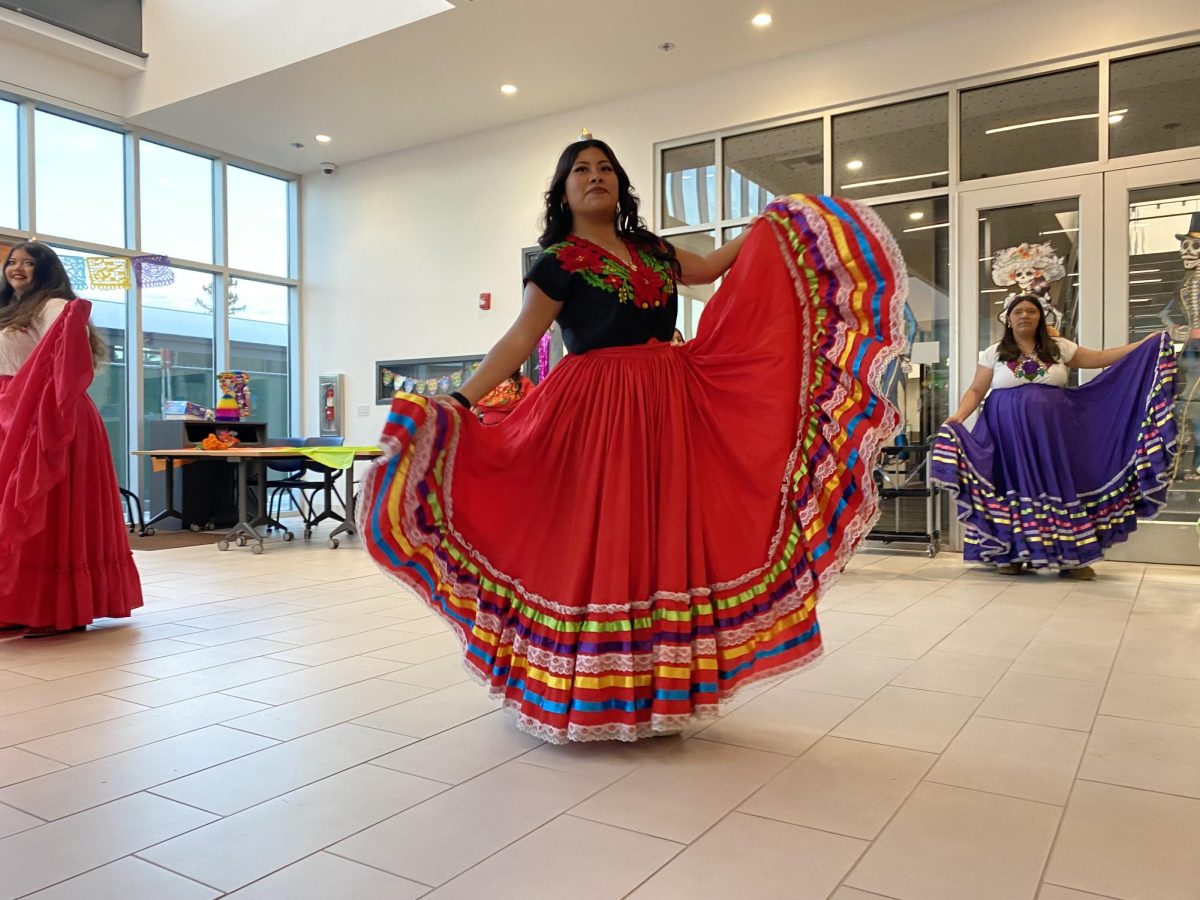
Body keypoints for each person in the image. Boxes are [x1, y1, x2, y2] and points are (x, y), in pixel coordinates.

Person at [359, 138, 907, 743]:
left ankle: (657, 691)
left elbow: (711, 268)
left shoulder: (652, 249)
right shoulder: (557, 262)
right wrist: (460, 401)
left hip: (670, 404)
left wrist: (773, 223)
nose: (595, 177)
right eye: (581, 171)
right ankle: (591, 690)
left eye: (605, 169)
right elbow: (519, 340)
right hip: (597, 410)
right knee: (604, 536)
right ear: (562, 191)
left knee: (660, 536)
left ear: (620, 184)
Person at [933, 293, 1176, 580]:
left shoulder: (1059, 347)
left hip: (1054, 435)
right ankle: (1009, 555)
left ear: (1040, 317)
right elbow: (976, 390)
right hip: (1006, 435)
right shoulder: (994, 352)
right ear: (1008, 320)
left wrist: (1145, 344)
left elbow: (1100, 358)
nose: (1025, 315)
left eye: (1031, 311)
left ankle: (1072, 558)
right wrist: (959, 415)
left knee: (1059, 486)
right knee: (1012, 486)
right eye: (1018, 311)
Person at [0, 242, 143, 636]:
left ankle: (55, 609)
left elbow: (64, 366)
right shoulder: (9, 310)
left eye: (29, 263)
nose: (18, 268)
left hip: (45, 415)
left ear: (46, 271)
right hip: (9, 414)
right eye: (12, 261)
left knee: (42, 509)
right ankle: (16, 603)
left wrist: (36, 411)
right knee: (12, 509)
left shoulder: (55, 307)